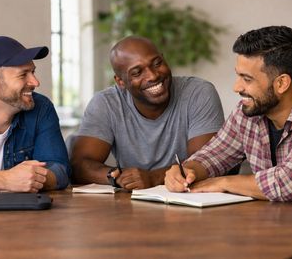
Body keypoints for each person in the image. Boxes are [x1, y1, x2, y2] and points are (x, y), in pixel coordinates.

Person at [165, 26, 292, 214]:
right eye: (238, 75)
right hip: (276, 228)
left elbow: (288, 183)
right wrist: (187, 171)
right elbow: (214, 154)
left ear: (281, 83)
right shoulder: (249, 112)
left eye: (246, 79)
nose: (236, 87)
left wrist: (223, 182)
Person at [71, 36, 225, 190]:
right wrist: (117, 177)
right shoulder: (106, 103)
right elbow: (79, 165)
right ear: (120, 82)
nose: (153, 75)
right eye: (137, 73)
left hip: (190, 201)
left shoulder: (198, 93)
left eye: (157, 63)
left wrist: (154, 177)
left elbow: (207, 162)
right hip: (131, 204)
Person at [0, 36, 70, 194]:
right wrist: (6, 180)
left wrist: (32, 178)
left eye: (33, 72)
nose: (35, 82)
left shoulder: (41, 108)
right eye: (23, 75)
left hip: (23, 217)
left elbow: (60, 169)